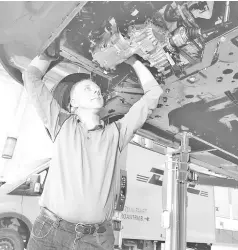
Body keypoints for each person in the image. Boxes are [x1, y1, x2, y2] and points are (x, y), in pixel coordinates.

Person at [23, 47, 163, 250]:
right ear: (72, 103)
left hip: (95, 240)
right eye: (87, 88)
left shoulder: (116, 134)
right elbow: (31, 77)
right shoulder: (61, 123)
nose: (96, 90)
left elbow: (154, 93)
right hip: (50, 233)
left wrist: (132, 60)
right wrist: (50, 53)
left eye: (96, 89)